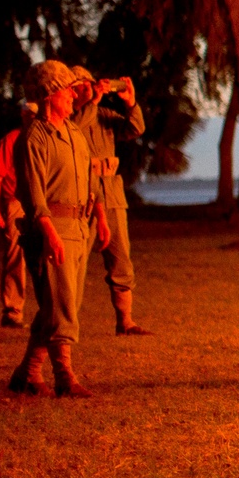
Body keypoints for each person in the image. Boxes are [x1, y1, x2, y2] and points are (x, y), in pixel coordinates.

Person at [8, 60, 111, 398]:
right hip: (54, 227)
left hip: (80, 227)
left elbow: (90, 179)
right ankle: (64, 375)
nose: (72, 95)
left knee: (61, 304)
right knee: (61, 307)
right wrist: (49, 233)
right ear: (50, 94)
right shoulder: (33, 138)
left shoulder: (73, 132)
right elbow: (32, 192)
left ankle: (27, 373)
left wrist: (101, 217)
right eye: (67, 89)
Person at [70, 66, 152, 336]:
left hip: (112, 193)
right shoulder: (69, 117)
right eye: (82, 86)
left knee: (120, 258)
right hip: (83, 195)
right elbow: (76, 128)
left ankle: (125, 321)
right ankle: (67, 321)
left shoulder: (104, 115)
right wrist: (92, 101)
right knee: (76, 263)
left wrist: (130, 103)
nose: (89, 88)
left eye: (90, 84)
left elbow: (134, 129)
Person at [0, 103, 37, 328]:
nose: (33, 118)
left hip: (37, 203)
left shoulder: (42, 139)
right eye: (29, 114)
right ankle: (12, 310)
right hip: (15, 203)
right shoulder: (11, 139)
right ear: (23, 115)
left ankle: (48, 309)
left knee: (42, 256)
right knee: (15, 257)